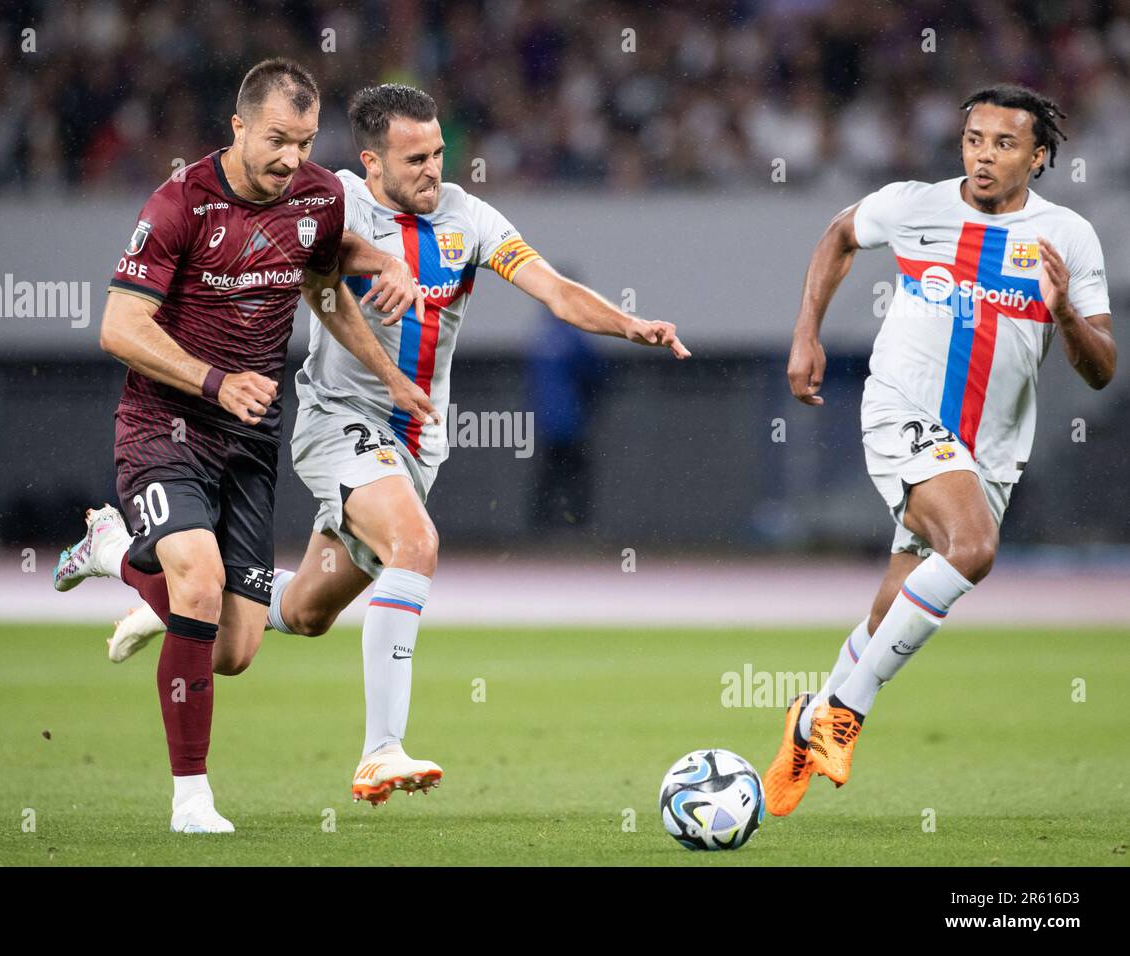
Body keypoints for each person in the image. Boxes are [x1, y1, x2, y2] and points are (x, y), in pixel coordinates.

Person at [101, 83, 690, 807]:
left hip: (415, 445)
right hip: (337, 418)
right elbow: (308, 281)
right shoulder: (332, 200)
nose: (433, 169)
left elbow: (555, 290)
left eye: (439, 153)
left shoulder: (469, 220)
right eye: (415, 158)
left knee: (308, 614)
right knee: (416, 544)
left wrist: (631, 326)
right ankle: (381, 750)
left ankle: (152, 583)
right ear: (371, 163)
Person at [52, 59, 434, 834]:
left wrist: (389, 334)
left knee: (232, 650)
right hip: (168, 427)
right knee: (196, 581)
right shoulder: (177, 205)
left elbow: (326, 275)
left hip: (250, 443)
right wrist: (215, 381)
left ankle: (116, 551)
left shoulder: (319, 196)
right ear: (236, 127)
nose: (292, 158)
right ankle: (191, 800)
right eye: (276, 140)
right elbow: (118, 328)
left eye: (303, 141)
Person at [764, 84, 1115, 817]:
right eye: (975, 140)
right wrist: (806, 333)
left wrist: (1063, 317)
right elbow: (837, 235)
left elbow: (1102, 366)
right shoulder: (915, 205)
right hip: (904, 411)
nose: (985, 156)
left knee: (894, 606)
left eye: (1005, 144)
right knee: (976, 547)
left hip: (989, 449)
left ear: (1039, 157)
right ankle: (843, 715)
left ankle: (811, 714)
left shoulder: (1069, 239)